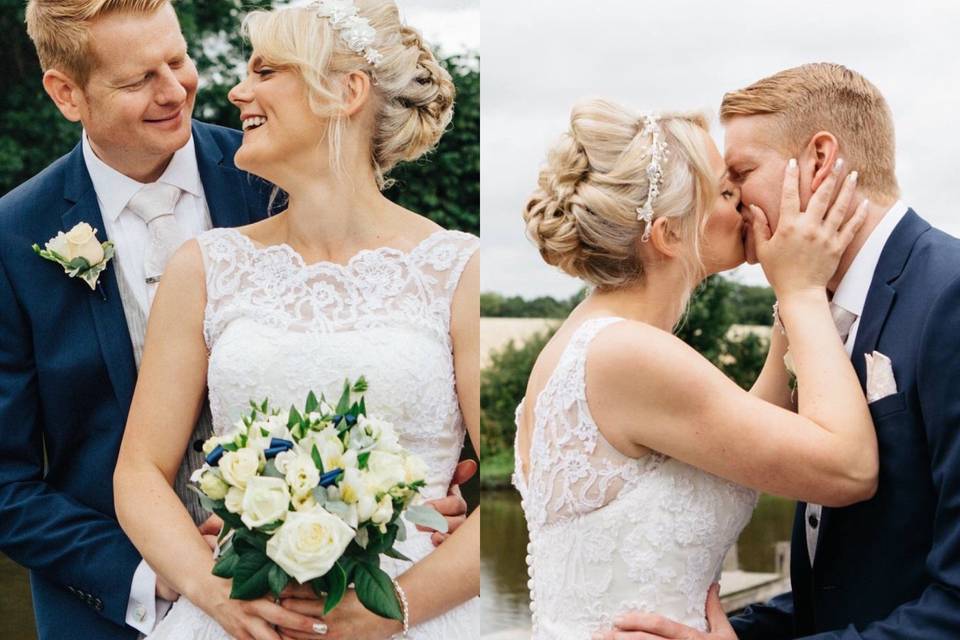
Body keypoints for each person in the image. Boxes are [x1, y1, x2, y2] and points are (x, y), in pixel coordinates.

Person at [0, 2, 468, 639]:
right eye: (139, 80)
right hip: (120, 603)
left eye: (179, 60)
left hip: (391, 590)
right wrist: (190, 578)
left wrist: (415, 509)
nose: (179, 91)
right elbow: (10, 477)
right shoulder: (14, 235)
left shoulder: (271, 168)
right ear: (66, 93)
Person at [602, 64, 960, 640]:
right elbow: (843, 587)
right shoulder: (813, 312)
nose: (730, 200)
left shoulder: (949, 295)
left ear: (819, 160)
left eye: (741, 172)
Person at [514, 98, 877, 639]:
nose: (748, 205)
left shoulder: (595, 340)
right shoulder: (626, 354)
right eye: (727, 193)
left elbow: (742, 433)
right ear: (668, 235)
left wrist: (788, 292)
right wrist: (801, 291)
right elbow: (849, 468)